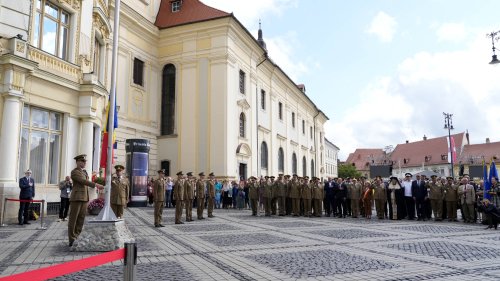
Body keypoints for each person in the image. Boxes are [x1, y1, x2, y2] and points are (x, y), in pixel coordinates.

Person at [68, 154, 103, 247]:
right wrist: (96, 185)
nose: (84, 163)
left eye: (85, 162)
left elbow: (85, 182)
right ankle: (72, 238)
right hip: (76, 197)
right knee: (73, 219)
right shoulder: (75, 172)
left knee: (81, 218)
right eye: (83, 161)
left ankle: (77, 235)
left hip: (84, 197)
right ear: (78, 162)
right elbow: (83, 181)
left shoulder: (84, 172)